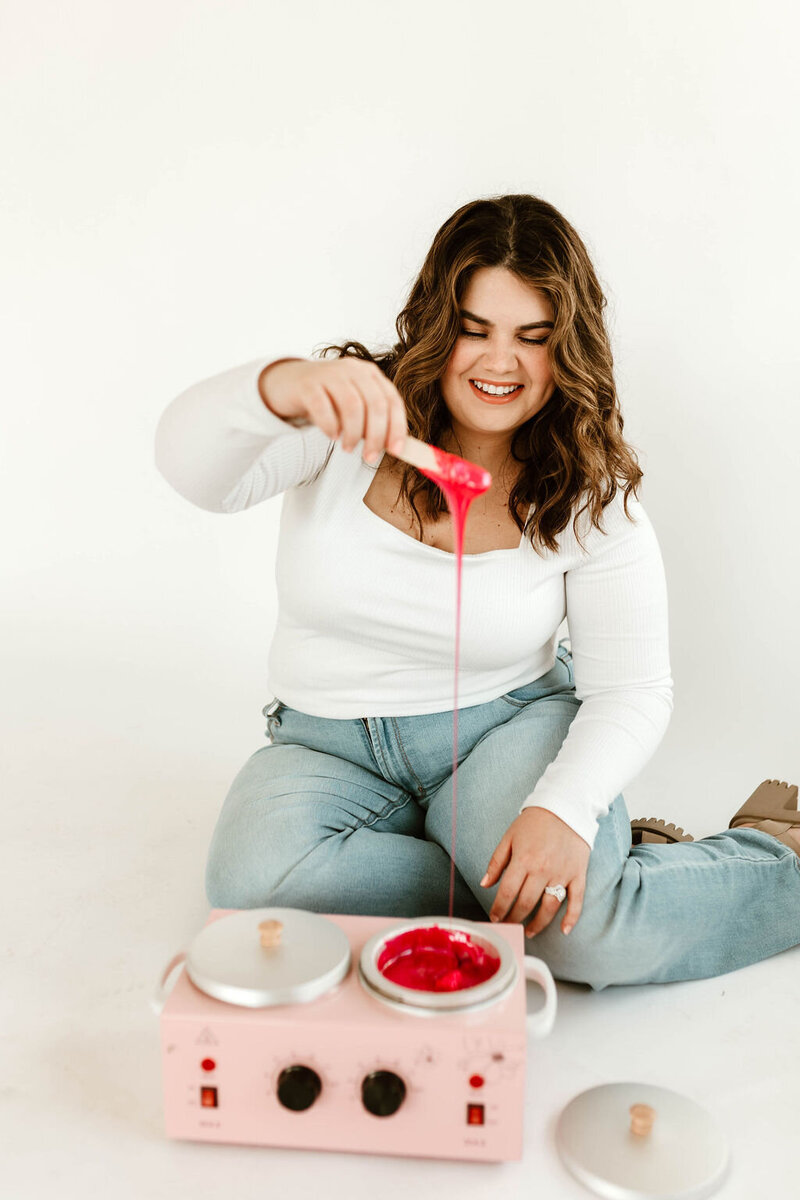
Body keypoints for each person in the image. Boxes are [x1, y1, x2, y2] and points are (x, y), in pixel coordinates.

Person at [154, 193, 800, 990]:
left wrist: (561, 810)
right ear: (437, 322)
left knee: (588, 936)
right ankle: (577, 873)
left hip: (504, 734)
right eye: (475, 329)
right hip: (325, 745)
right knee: (254, 891)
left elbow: (633, 689)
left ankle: (776, 856)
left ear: (569, 348)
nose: (501, 364)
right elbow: (192, 473)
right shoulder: (351, 417)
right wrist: (279, 385)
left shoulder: (589, 492)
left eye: (534, 339)